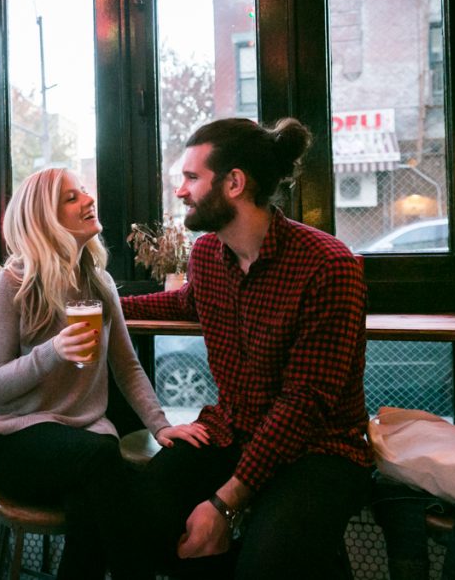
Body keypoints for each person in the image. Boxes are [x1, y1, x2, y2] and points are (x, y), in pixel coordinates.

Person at [122, 117, 373, 579]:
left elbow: (304, 405)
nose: (181, 191)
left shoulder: (328, 265)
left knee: (267, 565)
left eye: (192, 178)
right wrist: (106, 307)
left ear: (235, 183)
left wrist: (224, 502)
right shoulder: (207, 256)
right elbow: (186, 302)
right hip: (233, 429)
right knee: (138, 515)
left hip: (319, 449)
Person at [0, 167, 207, 580]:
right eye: (71, 197)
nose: (88, 199)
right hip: (14, 441)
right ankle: (161, 564)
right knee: (101, 459)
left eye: (83, 192)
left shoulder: (100, 283)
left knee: (91, 507)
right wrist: (52, 352)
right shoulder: (12, 283)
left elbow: (127, 366)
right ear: (44, 217)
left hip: (84, 447)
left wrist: (160, 426)